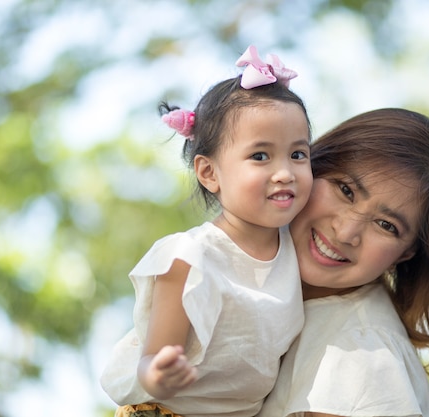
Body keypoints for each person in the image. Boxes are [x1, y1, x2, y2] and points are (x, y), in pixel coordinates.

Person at [100, 45, 313, 417]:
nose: (285, 172)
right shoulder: (189, 258)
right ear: (209, 173)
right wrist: (159, 375)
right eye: (260, 156)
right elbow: (152, 358)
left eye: (298, 154)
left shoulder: (297, 247)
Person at [258, 108, 429, 417]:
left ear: (406, 253)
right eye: (346, 190)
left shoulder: (360, 358)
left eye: (386, 225)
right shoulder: (251, 281)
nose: (346, 231)